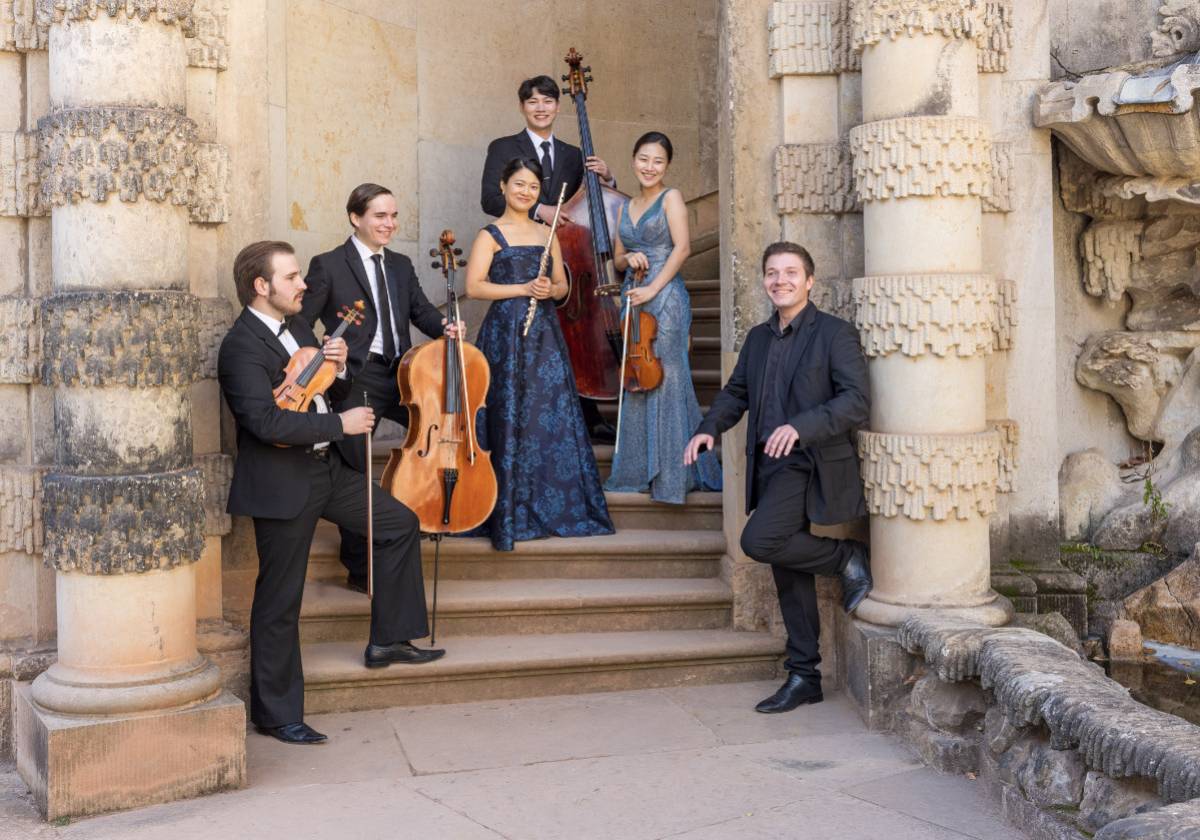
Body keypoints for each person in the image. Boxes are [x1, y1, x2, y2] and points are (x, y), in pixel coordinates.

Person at [218, 241, 443, 746]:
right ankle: (276, 715)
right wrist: (340, 423)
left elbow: (328, 390)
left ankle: (389, 638)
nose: (303, 285)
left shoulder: (299, 328)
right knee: (280, 601)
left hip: (327, 470)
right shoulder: (240, 346)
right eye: (293, 276)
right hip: (281, 483)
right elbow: (263, 421)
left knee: (398, 524)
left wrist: (339, 369)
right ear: (262, 286)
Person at [683, 242, 873, 714]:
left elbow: (855, 402)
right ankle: (804, 674)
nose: (780, 280)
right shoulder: (759, 338)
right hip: (766, 464)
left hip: (808, 464)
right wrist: (709, 429)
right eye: (772, 272)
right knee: (789, 572)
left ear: (810, 281)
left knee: (760, 542)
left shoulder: (835, 334)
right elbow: (735, 393)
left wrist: (799, 427)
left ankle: (846, 556)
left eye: (791, 272)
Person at [300, 183, 459, 594]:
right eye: (380, 216)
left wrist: (446, 327)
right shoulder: (329, 264)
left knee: (440, 431)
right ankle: (359, 567)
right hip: (357, 376)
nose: (389, 224)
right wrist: (324, 354)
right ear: (356, 218)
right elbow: (302, 321)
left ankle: (429, 513)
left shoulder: (401, 265)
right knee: (356, 467)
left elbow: (421, 310)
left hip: (403, 374)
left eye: (393, 216)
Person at [464, 157, 614, 551]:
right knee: (507, 413)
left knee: (545, 415)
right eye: (519, 184)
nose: (526, 192)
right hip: (504, 336)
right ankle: (504, 511)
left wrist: (550, 291)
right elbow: (476, 287)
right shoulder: (490, 235)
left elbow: (563, 287)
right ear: (503, 186)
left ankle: (549, 507)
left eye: (532, 186)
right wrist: (522, 289)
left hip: (545, 335)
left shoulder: (550, 233)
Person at [480, 74, 615, 443]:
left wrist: (608, 177)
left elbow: (594, 204)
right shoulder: (503, 147)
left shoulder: (573, 154)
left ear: (558, 106)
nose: (541, 108)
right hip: (523, 249)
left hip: (571, 257)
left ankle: (586, 413)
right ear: (523, 107)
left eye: (548, 101)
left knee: (575, 333)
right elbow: (490, 201)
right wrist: (539, 209)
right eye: (533, 102)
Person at [605, 131, 721, 503]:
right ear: (633, 159)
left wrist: (653, 288)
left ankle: (673, 477)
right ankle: (639, 469)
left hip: (665, 296)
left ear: (667, 166)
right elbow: (617, 259)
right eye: (643, 158)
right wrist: (629, 260)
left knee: (668, 379)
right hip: (632, 297)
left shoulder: (671, 198)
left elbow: (683, 248)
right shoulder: (624, 207)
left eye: (657, 161)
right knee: (639, 379)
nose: (649, 167)